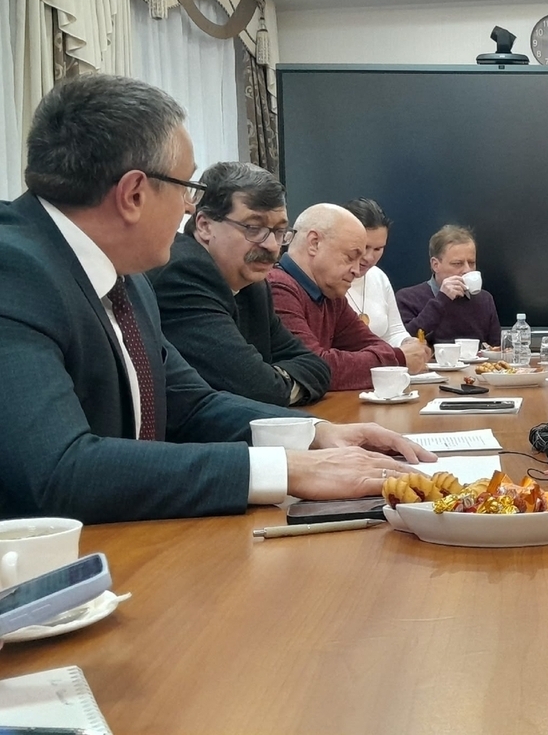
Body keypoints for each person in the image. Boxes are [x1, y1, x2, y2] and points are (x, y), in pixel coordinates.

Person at [0, 74, 434, 524]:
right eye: (185, 187)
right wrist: (285, 469)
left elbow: (192, 404)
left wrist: (316, 434)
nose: (190, 208)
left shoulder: (128, 281)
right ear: (133, 194)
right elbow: (59, 471)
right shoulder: (13, 272)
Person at [147, 162, 331, 407]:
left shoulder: (253, 284)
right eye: (253, 228)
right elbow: (259, 389)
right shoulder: (183, 274)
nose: (271, 246)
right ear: (204, 226)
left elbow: (317, 366)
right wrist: (280, 382)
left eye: (279, 231)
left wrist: (276, 382)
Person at [269, 204, 410, 390]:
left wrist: (387, 357)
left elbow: (376, 345)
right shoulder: (277, 287)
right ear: (314, 243)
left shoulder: (331, 293)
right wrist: (397, 358)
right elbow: (314, 368)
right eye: (350, 257)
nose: (357, 270)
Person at [340, 198, 429, 373]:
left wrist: (408, 344)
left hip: (384, 373)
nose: (369, 257)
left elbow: (394, 332)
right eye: (364, 247)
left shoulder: (378, 277)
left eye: (378, 249)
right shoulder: (330, 279)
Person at [394, 224, 502, 346]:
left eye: (471, 263)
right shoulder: (408, 298)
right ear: (435, 265)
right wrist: (442, 299)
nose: (467, 270)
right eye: (457, 263)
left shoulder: (484, 300)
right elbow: (405, 342)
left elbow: (496, 349)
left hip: (475, 359)